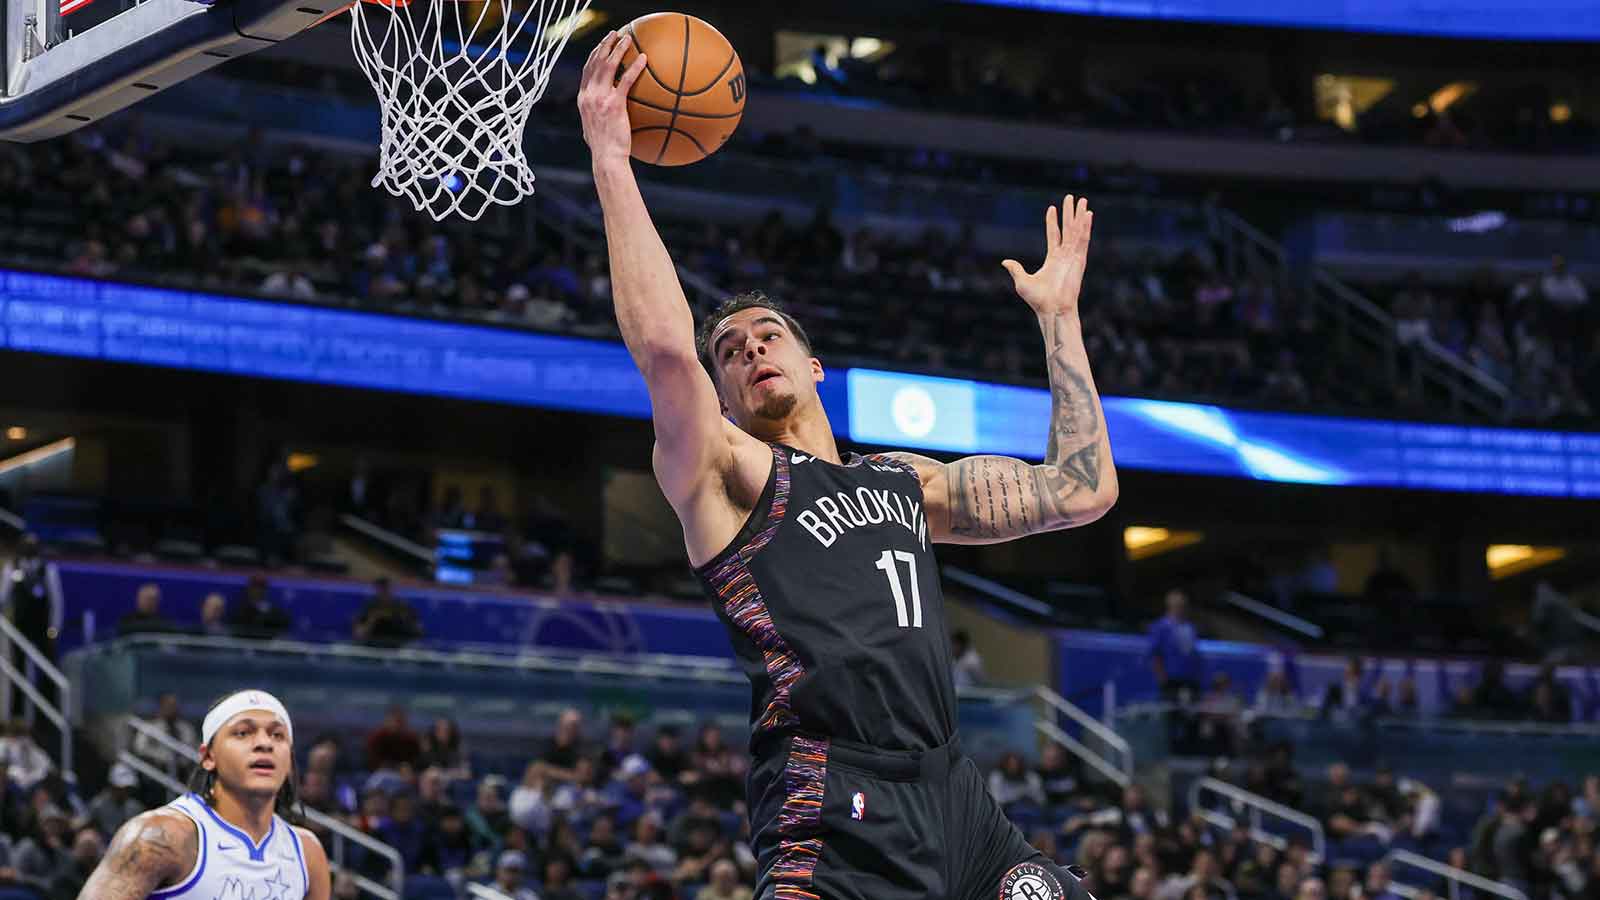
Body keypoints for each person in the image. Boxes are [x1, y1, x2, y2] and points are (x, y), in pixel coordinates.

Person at [579, 31, 1117, 900]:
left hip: (956, 797)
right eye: (732, 351)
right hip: (833, 793)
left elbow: (1083, 490)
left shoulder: (903, 482)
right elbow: (668, 356)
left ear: (815, 365)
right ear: (719, 391)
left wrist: (1059, 319)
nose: (752, 350)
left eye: (769, 336)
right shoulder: (727, 476)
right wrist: (612, 155)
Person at [75, 688, 331, 899]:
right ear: (208, 757)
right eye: (243, 732)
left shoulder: (307, 852)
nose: (264, 743)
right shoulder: (159, 836)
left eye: (277, 735)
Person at [1148, 589, 1203, 701]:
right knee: (1171, 710)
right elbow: (1155, 653)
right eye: (1178, 606)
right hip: (1170, 677)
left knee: (1191, 712)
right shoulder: (1160, 626)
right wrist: (1161, 677)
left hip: (1190, 677)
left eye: (1183, 606)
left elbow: (1193, 652)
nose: (1181, 609)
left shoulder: (1190, 627)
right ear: (1170, 606)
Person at [352, 578, 423, 646]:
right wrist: (373, 619)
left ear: (393, 589)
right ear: (377, 590)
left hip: (401, 644)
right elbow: (358, 634)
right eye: (382, 589)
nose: (385, 592)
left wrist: (404, 620)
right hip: (374, 643)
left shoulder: (404, 607)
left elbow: (419, 631)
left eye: (387, 588)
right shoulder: (369, 608)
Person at [227, 575, 292, 640]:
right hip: (242, 643)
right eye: (254, 587)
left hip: (267, 644)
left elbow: (283, 626)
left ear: (265, 590)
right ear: (249, 589)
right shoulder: (239, 609)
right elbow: (234, 627)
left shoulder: (274, 611)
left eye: (260, 588)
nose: (256, 591)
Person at [88, 763, 143, 838]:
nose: (124, 792)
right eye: (121, 788)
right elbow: (86, 824)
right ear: (112, 786)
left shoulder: (136, 809)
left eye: (127, 788)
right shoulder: (98, 805)